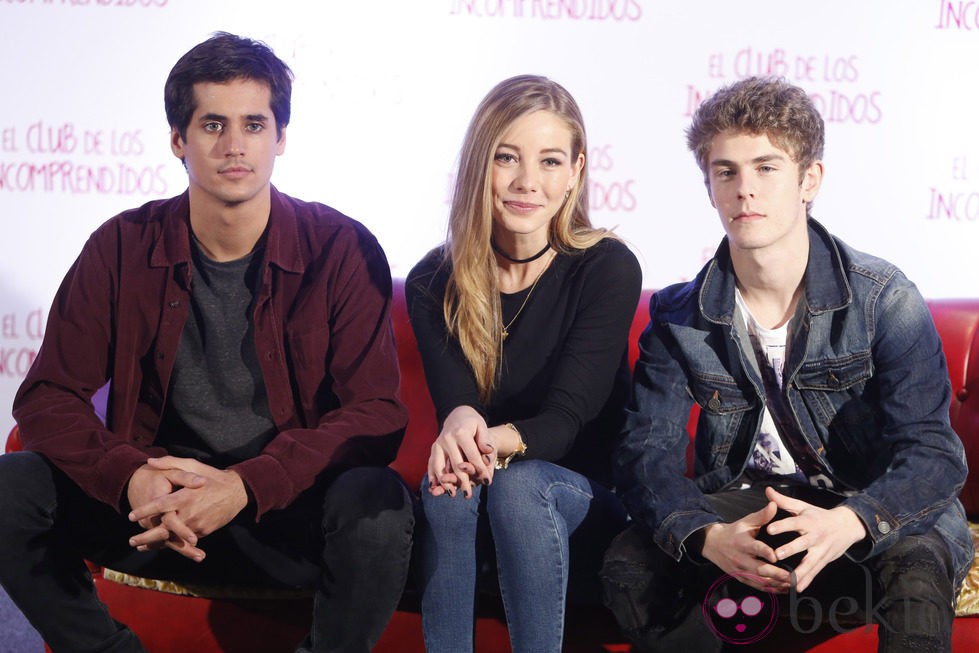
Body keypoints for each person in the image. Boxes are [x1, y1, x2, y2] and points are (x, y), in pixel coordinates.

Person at [0, 32, 413, 653]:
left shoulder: (341, 247)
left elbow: (376, 414)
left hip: (282, 517)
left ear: (281, 139)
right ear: (178, 140)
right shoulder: (121, 245)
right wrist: (131, 475)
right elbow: (46, 397)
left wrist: (246, 484)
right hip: (154, 515)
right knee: (11, 485)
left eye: (254, 123)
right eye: (212, 124)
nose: (234, 145)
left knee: (377, 501)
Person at [600, 75, 973, 652]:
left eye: (766, 167)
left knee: (918, 563)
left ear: (809, 179)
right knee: (630, 563)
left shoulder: (883, 298)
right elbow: (644, 456)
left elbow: (933, 455)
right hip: (748, 504)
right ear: (710, 187)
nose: (744, 190)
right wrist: (707, 535)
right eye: (726, 171)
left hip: (868, 504)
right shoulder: (677, 315)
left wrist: (850, 521)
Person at [405, 74, 642, 652]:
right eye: (506, 157)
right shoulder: (433, 281)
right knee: (446, 485)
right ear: (477, 166)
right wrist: (460, 428)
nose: (527, 182)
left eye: (550, 161)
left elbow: (564, 423)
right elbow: (457, 402)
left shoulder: (605, 268)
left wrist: (478, 441)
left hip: (586, 502)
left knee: (521, 484)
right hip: (485, 497)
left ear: (576, 172)